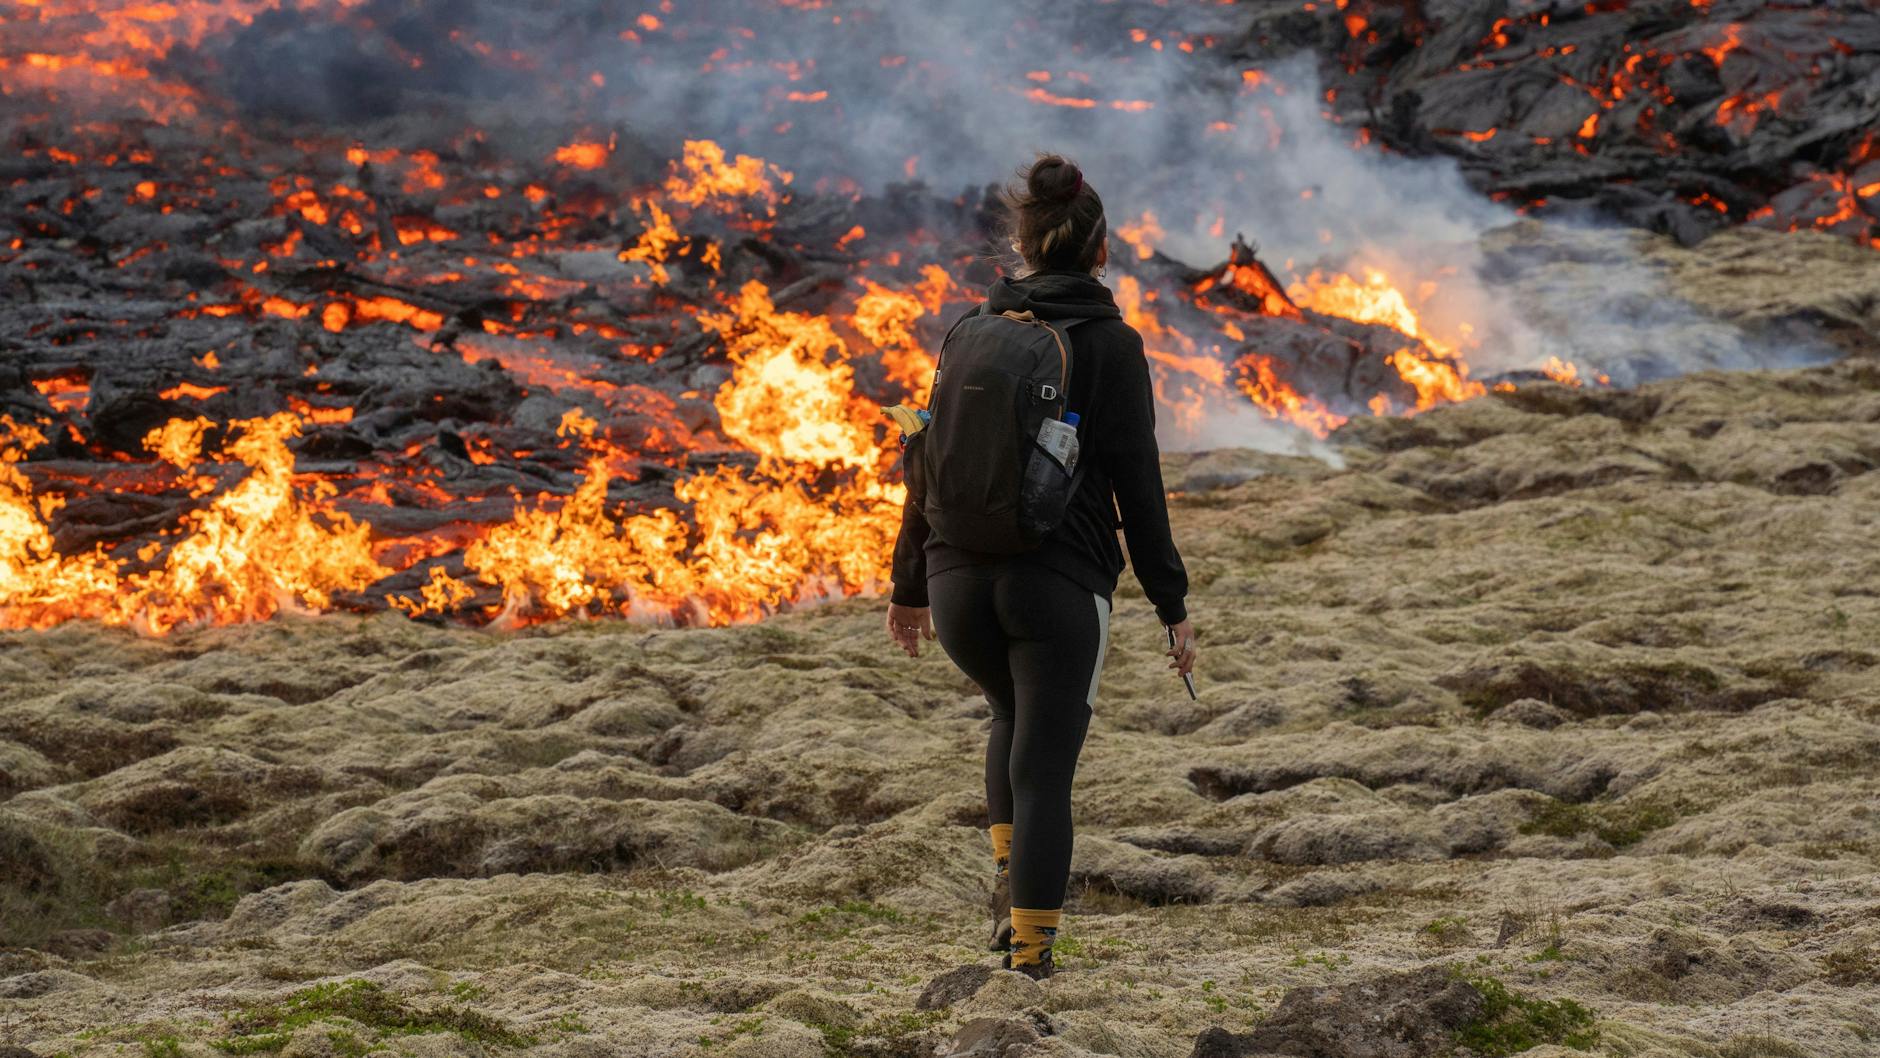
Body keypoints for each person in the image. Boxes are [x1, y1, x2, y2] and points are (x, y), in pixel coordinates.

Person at [885, 154, 1196, 979]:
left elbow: (926, 457)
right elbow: (1138, 480)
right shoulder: (1112, 345)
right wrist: (1172, 603)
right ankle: (1028, 964)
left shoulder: (972, 330)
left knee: (1007, 720)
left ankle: (1004, 887)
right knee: (1046, 768)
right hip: (1056, 589)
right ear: (1101, 252)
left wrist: (909, 586)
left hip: (957, 587)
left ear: (1021, 246)